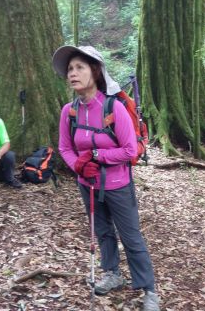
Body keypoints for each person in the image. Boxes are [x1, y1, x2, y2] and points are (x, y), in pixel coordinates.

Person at [52, 45, 160, 311]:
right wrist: (77, 166)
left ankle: (149, 290)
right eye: (70, 69)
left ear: (95, 71)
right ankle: (112, 273)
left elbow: (129, 150)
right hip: (87, 185)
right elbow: (65, 148)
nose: (73, 74)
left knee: (131, 236)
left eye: (80, 67)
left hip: (117, 185)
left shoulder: (114, 107)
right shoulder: (69, 111)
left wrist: (96, 155)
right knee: (102, 232)